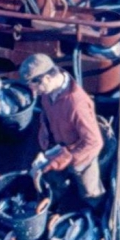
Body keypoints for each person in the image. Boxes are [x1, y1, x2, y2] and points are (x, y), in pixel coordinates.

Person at [19, 53, 105, 209]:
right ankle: (60, 199)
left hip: (82, 154)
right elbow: (46, 112)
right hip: (59, 145)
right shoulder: (47, 92)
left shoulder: (76, 105)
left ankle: (93, 210)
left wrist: (69, 158)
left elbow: (95, 142)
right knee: (52, 179)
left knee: (89, 190)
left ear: (46, 78)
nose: (34, 91)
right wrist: (44, 131)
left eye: (35, 86)